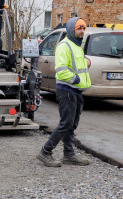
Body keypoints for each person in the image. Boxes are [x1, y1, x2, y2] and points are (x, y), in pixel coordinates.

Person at [38, 17, 92, 167]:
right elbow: (61, 70)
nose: (82, 31)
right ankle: (45, 152)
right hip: (67, 90)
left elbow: (77, 66)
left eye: (83, 28)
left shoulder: (77, 46)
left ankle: (69, 155)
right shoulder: (64, 45)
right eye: (79, 28)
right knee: (66, 123)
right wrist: (75, 79)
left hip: (76, 91)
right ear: (71, 30)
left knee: (72, 124)